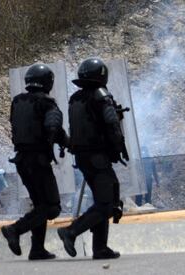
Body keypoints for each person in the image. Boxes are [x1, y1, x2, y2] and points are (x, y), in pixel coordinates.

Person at [58, 58, 128, 260]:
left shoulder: (76, 98)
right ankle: (71, 232)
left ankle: (100, 248)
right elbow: (112, 123)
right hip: (97, 156)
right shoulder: (101, 95)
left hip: (82, 156)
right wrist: (118, 147)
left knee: (102, 200)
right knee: (108, 203)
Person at [1, 63, 67, 261]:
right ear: (48, 82)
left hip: (22, 161)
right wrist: (69, 143)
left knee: (40, 205)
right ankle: (15, 229)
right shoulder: (47, 103)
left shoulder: (18, 101)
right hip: (38, 161)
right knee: (52, 206)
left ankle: (37, 249)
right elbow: (53, 127)